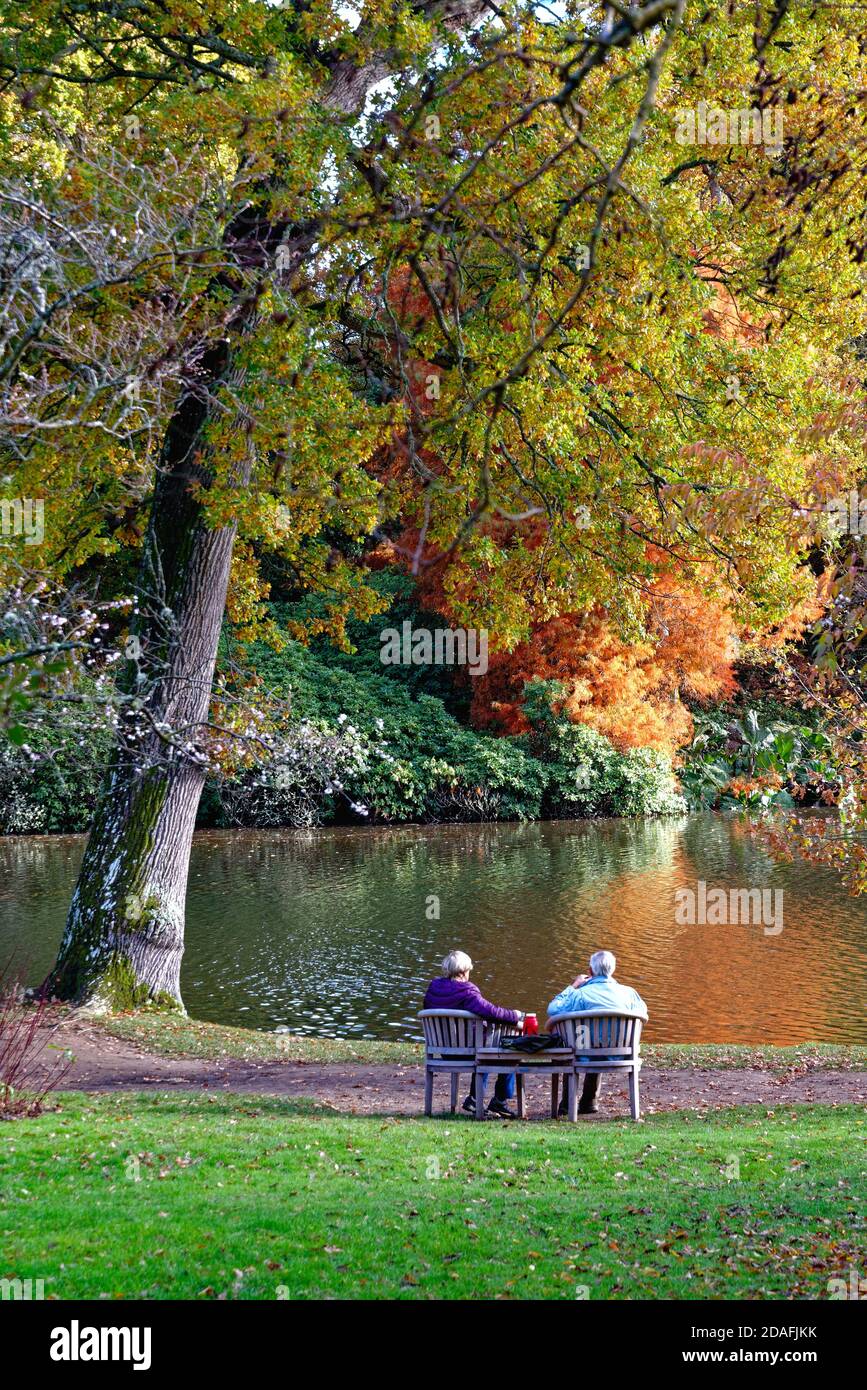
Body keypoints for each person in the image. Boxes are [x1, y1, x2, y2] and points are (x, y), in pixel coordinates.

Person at [424, 949, 525, 1118]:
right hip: (468, 1052)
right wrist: (515, 1016)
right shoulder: (467, 991)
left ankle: (474, 1099)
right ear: (464, 971)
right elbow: (491, 1011)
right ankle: (499, 1101)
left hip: (443, 1050)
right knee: (509, 1046)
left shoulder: (433, 988)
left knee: (484, 1043)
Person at [547, 950, 648, 1115]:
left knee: (578, 1044)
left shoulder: (580, 994)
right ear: (612, 970)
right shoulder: (629, 993)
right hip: (622, 1052)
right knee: (599, 1042)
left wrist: (573, 986)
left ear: (590, 971)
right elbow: (643, 1013)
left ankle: (567, 1103)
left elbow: (553, 1010)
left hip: (583, 1052)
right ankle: (589, 1101)